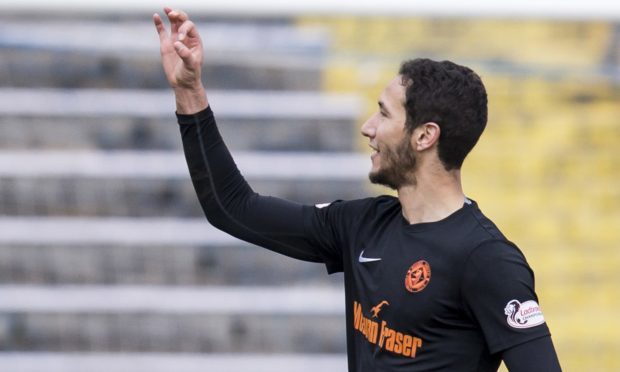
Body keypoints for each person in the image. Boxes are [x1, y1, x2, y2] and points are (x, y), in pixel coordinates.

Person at [153, 7, 562, 371]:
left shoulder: (487, 259)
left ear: (424, 136)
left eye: (383, 113)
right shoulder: (362, 225)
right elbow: (233, 208)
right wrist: (189, 92)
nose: (368, 127)